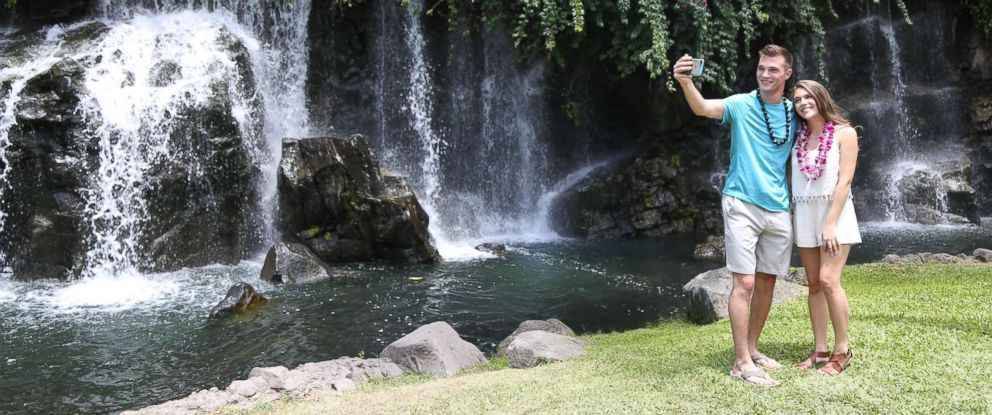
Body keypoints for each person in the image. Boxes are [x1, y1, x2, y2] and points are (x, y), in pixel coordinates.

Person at [673, 45, 799, 387]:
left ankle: (754, 349)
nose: (765, 74)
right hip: (741, 202)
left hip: (778, 207)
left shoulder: (793, 111)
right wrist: (685, 82)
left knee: (768, 281)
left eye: (773, 69)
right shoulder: (742, 104)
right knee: (744, 282)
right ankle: (741, 362)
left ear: (787, 73)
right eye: (761, 68)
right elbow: (702, 108)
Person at [790, 79, 859, 375]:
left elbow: (844, 181)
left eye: (808, 97)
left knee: (829, 280)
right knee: (814, 283)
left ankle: (842, 351)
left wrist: (830, 224)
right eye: (797, 100)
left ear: (821, 97)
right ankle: (820, 349)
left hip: (835, 214)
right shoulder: (798, 137)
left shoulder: (845, 133)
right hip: (805, 212)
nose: (803, 103)